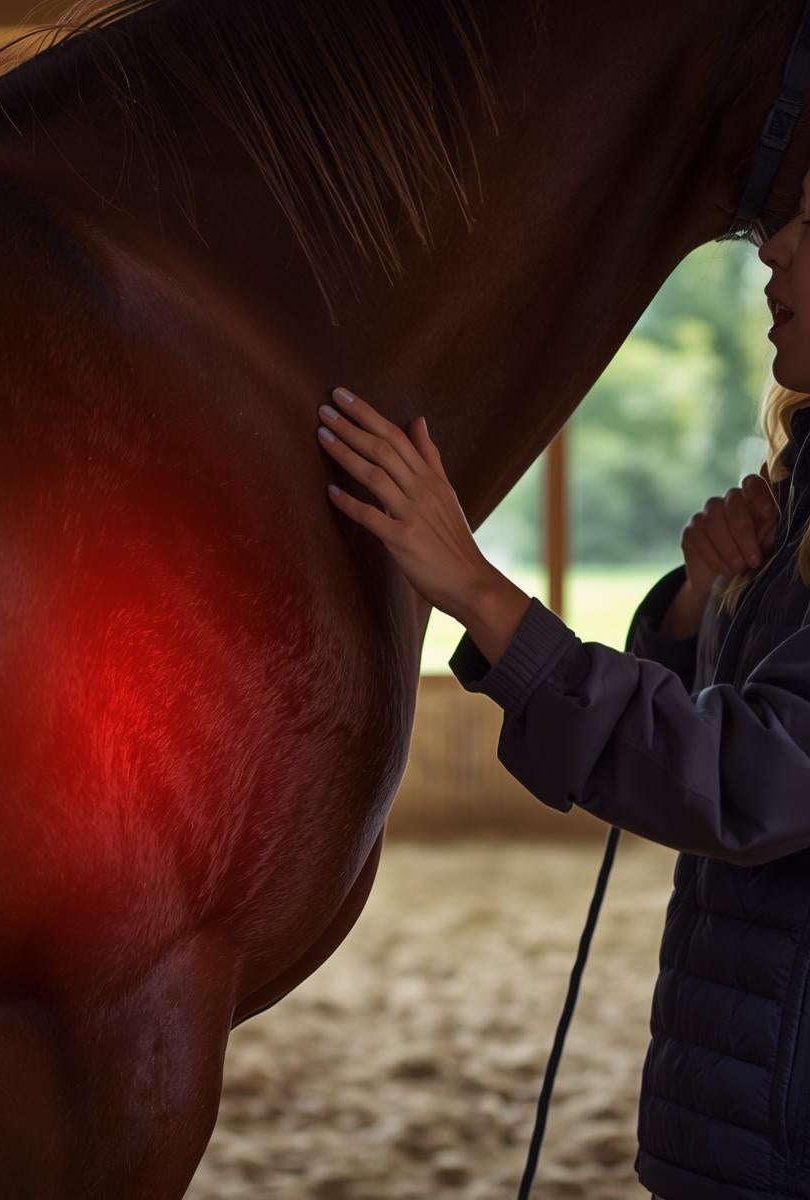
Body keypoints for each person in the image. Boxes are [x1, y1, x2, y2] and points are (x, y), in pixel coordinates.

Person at [313, 174, 810, 1200]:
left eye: (808, 223)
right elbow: (738, 726)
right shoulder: (796, 493)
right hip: (739, 1116)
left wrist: (475, 588)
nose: (770, 252)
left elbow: (752, 778)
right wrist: (698, 607)